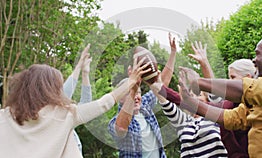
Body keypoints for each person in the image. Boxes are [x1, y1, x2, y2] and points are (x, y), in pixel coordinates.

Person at [0, 56, 151, 158]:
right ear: (51, 90)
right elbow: (105, 103)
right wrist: (131, 82)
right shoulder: (65, 115)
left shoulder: (4, 116)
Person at [178, 34, 262, 157]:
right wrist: (192, 103)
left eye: (258, 54)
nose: (254, 60)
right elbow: (232, 117)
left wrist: (199, 82)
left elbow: (251, 90)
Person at [108, 33, 177, 158]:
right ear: (120, 98)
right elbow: (122, 128)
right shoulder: (114, 122)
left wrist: (172, 54)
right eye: (130, 93)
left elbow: (163, 83)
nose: (137, 96)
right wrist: (133, 88)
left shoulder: (144, 106)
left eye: (140, 92)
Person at [149, 74, 228, 158]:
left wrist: (204, 64)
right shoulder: (184, 121)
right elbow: (165, 102)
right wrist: (155, 81)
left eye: (199, 95)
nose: (194, 98)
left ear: (207, 99)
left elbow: (216, 92)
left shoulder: (215, 117)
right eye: (190, 96)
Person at [63, 44, 92, 154]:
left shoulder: (67, 120)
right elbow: (65, 95)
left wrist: (85, 74)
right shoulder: (55, 120)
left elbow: (86, 104)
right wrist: (79, 65)